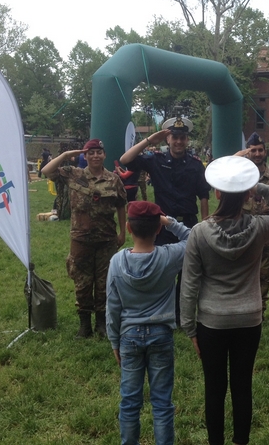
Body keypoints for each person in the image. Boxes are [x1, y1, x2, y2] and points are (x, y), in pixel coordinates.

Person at [180, 156, 269, 445]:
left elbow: (189, 284)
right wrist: (264, 189)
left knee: (214, 389)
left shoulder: (199, 233)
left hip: (211, 322)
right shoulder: (259, 227)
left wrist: (189, 327)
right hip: (249, 318)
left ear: (216, 193)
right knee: (243, 387)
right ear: (247, 193)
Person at [107, 201, 191, 445]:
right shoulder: (170, 256)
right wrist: (170, 222)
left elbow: (112, 306)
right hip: (161, 334)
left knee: (130, 401)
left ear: (129, 228)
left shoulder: (116, 262)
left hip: (129, 336)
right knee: (163, 403)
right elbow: (193, 238)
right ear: (158, 229)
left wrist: (114, 340)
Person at [120, 116, 211, 323]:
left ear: (187, 140)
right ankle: (162, 312)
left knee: (188, 273)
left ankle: (181, 315)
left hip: (188, 224)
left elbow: (204, 195)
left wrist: (205, 225)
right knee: (162, 271)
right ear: (168, 139)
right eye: (174, 137)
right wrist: (150, 140)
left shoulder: (196, 165)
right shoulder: (155, 159)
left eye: (182, 138)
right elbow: (125, 160)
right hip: (162, 226)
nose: (179, 142)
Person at [42, 139, 127, 339]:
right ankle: (84, 324)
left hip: (106, 239)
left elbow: (122, 205)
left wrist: (122, 232)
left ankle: (101, 323)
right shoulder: (74, 174)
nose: (95, 156)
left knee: (105, 283)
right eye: (91, 153)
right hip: (81, 239)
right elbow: (47, 171)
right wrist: (64, 155)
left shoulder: (113, 179)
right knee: (82, 282)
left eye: (99, 152)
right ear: (85, 156)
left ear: (104, 155)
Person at [234, 132, 269, 318]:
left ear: (265, 151)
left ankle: (259, 310)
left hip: (267, 233)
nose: (257, 154)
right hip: (244, 231)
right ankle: (242, 306)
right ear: (248, 152)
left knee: (264, 273)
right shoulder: (240, 175)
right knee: (243, 270)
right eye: (253, 150)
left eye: (260, 150)